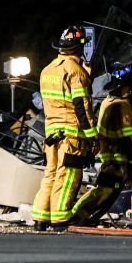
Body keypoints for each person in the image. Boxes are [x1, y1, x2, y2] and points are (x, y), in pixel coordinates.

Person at [71, 64, 132, 229]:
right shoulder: (121, 105)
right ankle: (77, 215)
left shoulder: (110, 101)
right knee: (106, 189)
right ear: (126, 86)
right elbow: (126, 136)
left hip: (114, 153)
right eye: (131, 84)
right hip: (119, 155)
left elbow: (127, 129)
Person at [32, 25, 97, 231]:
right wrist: (92, 137)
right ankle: (60, 219)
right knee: (67, 176)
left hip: (51, 133)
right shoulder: (75, 72)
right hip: (71, 135)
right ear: (79, 48)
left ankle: (41, 218)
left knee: (50, 174)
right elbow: (81, 107)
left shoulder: (48, 70)